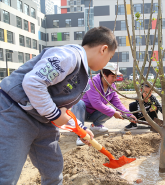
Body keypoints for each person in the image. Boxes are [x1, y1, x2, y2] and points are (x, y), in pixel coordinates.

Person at [0, 26, 117, 184]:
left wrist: (80, 128)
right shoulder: (68, 56)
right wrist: (54, 114)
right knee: (7, 174)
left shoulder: (83, 75)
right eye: (110, 58)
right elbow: (33, 82)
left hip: (43, 120)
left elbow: (63, 110)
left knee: (53, 171)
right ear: (103, 49)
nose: (106, 64)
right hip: (17, 113)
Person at [72, 62, 137, 145]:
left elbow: (117, 104)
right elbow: (96, 103)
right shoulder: (92, 82)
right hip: (82, 112)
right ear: (104, 74)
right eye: (112, 76)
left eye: (115, 76)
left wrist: (128, 115)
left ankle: (96, 126)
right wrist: (113, 113)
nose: (114, 79)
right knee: (79, 103)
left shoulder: (112, 87)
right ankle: (81, 134)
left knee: (111, 108)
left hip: (94, 114)